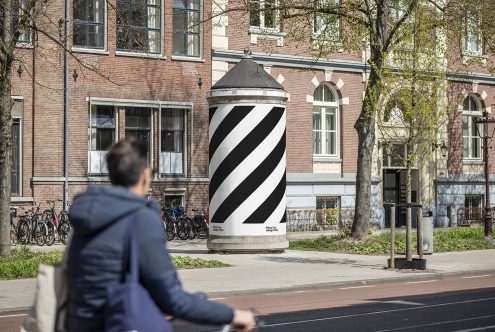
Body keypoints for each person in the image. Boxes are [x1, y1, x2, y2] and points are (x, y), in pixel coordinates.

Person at [67, 139, 256, 331]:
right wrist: (233, 315)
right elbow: (174, 301)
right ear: (145, 176)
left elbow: (105, 283)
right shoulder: (139, 219)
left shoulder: (86, 217)